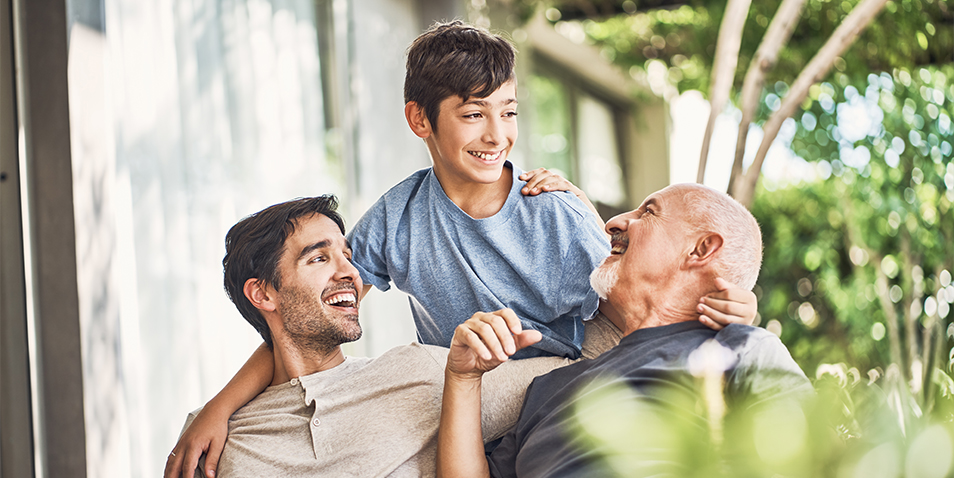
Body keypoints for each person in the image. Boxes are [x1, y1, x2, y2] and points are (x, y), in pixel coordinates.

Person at [166, 21, 758, 477]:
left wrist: (732, 316)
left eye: (508, 113)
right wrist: (220, 407)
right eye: (474, 115)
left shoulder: (551, 209)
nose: (496, 135)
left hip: (558, 377)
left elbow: (639, 305)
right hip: (461, 393)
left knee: (415, 384)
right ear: (419, 120)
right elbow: (307, 317)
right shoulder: (397, 219)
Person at [163, 196, 607, 477]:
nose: (350, 273)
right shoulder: (217, 439)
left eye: (348, 255)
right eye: (319, 259)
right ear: (263, 293)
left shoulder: (424, 374)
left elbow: (594, 362)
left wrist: (577, 211)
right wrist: (217, 409)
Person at [437, 183, 815, 478]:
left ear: (700, 249)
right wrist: (463, 377)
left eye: (648, 212)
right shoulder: (550, 387)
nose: (613, 223)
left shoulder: (743, 351)